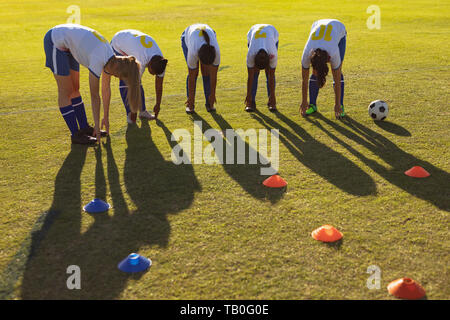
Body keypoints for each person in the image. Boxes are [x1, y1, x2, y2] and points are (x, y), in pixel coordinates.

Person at [44, 24, 141, 144]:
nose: (116, 77)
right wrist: (97, 126)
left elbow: (105, 89)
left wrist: (105, 118)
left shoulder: (111, 59)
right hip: (55, 41)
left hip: (70, 44)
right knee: (66, 91)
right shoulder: (99, 59)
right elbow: (94, 95)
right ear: (117, 69)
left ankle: (84, 127)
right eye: (118, 76)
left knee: (75, 89)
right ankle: (76, 134)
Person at [109, 29, 168, 125]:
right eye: (153, 73)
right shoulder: (141, 59)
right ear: (149, 65)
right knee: (125, 79)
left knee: (136, 80)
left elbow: (159, 85)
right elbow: (133, 87)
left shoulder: (161, 61)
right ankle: (129, 113)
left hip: (130, 40)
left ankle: (142, 111)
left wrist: (158, 104)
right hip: (118, 44)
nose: (153, 75)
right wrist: (133, 112)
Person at [300, 19, 347, 119]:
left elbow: (337, 80)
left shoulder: (333, 53)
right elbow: (304, 80)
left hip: (338, 29)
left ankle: (341, 105)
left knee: (338, 71)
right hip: (318, 25)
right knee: (315, 73)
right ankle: (312, 105)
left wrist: (337, 104)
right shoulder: (307, 54)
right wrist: (304, 101)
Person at [181, 23, 220, 114]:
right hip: (188, 36)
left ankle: (209, 103)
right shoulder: (193, 51)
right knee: (194, 73)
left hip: (207, 34)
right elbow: (191, 77)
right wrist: (190, 98)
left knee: (207, 73)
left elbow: (213, 77)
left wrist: (213, 94)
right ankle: (190, 104)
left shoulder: (216, 52)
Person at [245, 24, 279, 112]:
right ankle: (251, 102)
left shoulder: (273, 54)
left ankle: (271, 101)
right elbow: (250, 76)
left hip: (272, 32)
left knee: (269, 73)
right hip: (253, 32)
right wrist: (248, 95)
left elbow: (271, 76)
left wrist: (273, 95)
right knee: (254, 74)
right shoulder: (251, 54)